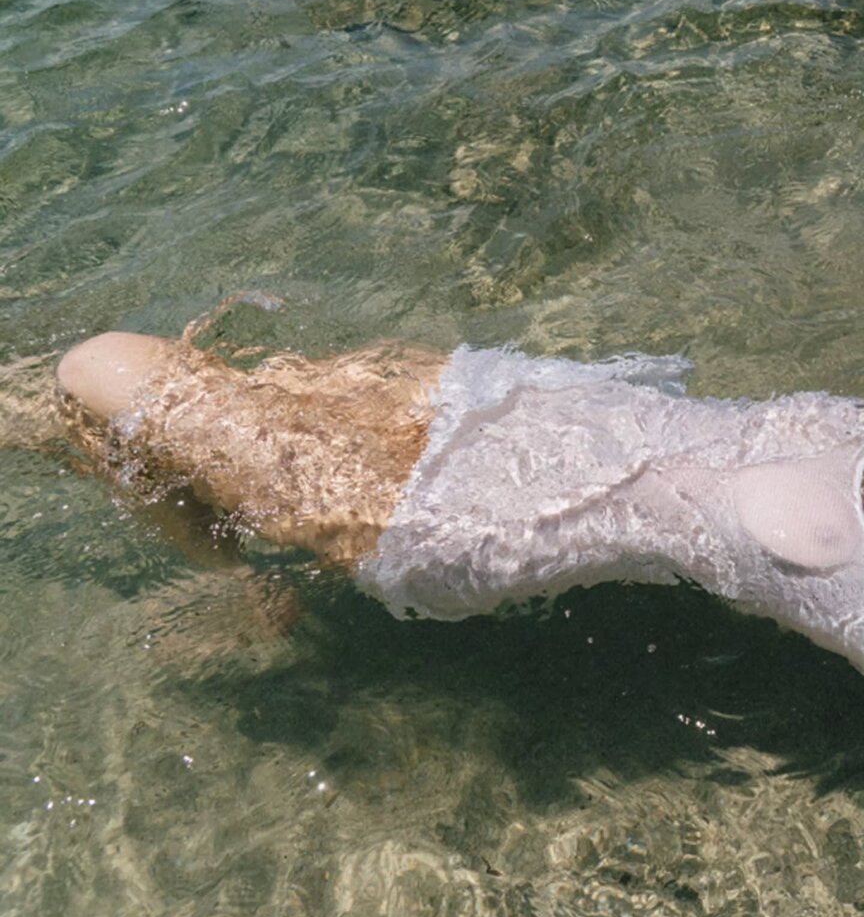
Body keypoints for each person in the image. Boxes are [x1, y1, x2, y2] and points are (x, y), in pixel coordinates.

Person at [51, 299, 864, 670]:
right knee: (98, 409)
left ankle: (233, 577)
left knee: (93, 375)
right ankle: (229, 567)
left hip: (455, 511)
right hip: (513, 402)